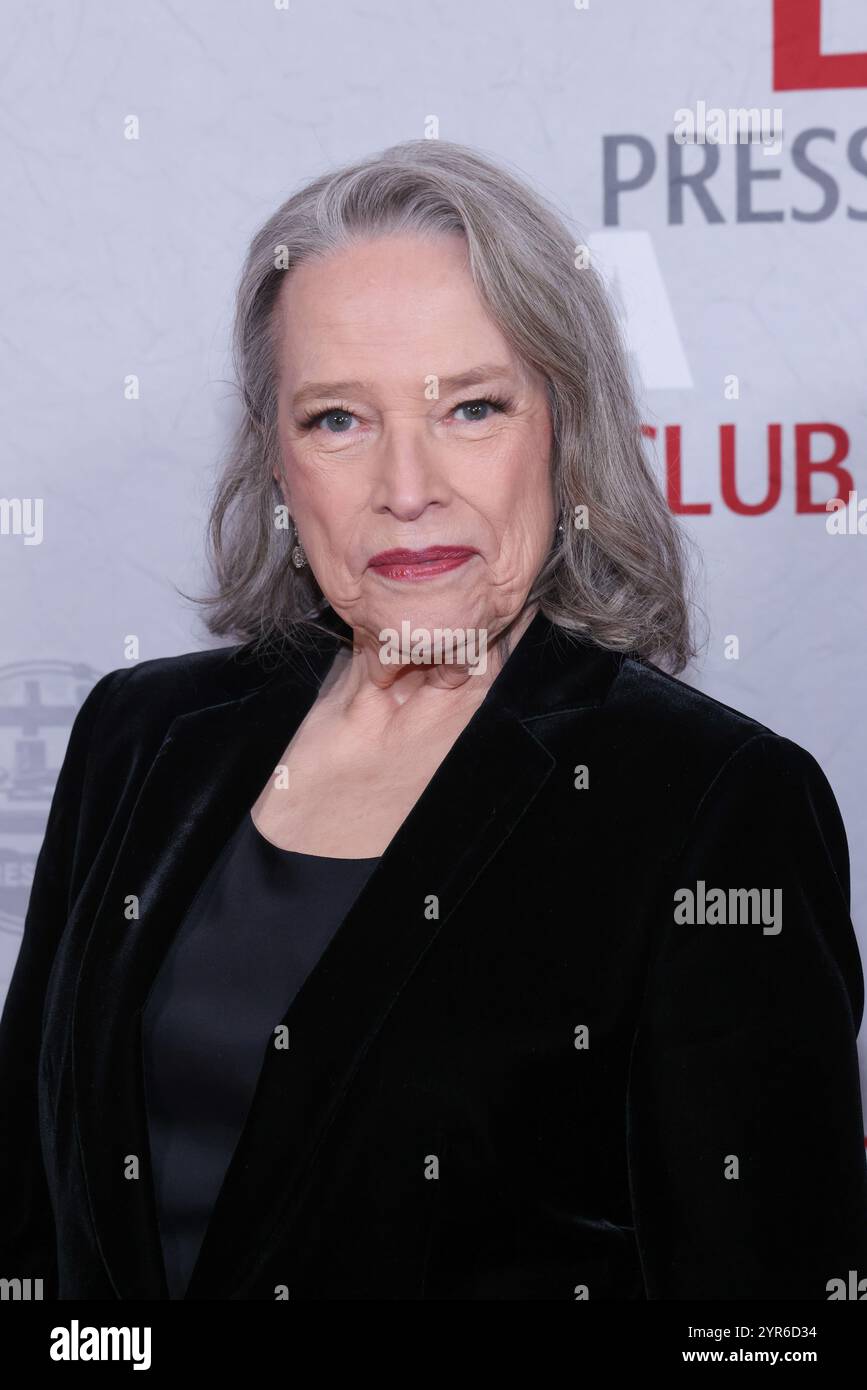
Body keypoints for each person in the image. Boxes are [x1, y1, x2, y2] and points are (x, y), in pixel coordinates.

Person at [1, 139, 865, 1300]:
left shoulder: (708, 805)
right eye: (338, 421)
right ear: (274, 459)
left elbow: (768, 1314)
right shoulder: (143, 736)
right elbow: (32, 1211)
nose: (407, 488)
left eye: (471, 406)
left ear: (566, 432)